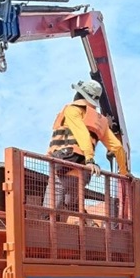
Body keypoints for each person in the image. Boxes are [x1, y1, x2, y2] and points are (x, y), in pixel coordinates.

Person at [45, 79, 129, 215]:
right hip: (83, 174)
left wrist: (90, 159)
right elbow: (118, 147)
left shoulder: (72, 110)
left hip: (64, 167)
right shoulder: (101, 121)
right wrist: (124, 173)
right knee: (74, 208)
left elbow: (82, 134)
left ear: (80, 94)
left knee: (48, 211)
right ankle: (85, 222)